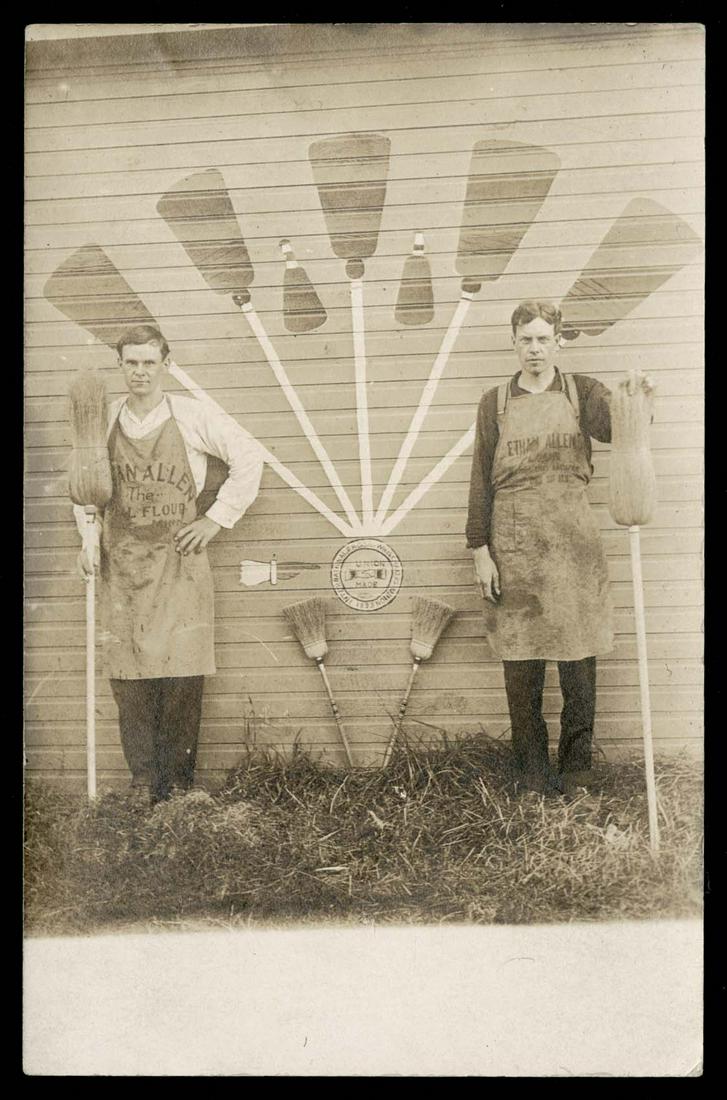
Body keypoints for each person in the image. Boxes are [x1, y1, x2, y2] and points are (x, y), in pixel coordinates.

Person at [466, 300, 652, 795]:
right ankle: (531, 773)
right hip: (515, 545)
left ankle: (576, 774)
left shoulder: (581, 392)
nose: (534, 349)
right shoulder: (495, 403)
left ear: (558, 342)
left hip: (572, 546)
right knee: (521, 667)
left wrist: (635, 400)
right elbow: (480, 479)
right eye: (526, 339)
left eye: (543, 338)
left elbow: (621, 431)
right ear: (513, 342)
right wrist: (480, 550)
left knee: (578, 665)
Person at [76, 324, 264, 805]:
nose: (140, 372)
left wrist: (215, 521)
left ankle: (179, 782)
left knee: (182, 672)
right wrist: (87, 539)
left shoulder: (193, 416)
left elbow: (249, 457)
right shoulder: (105, 419)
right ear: (120, 365)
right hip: (124, 563)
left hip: (180, 560)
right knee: (129, 673)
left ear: (165, 364)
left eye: (149, 362)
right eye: (131, 363)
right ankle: (143, 780)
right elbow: (86, 491)